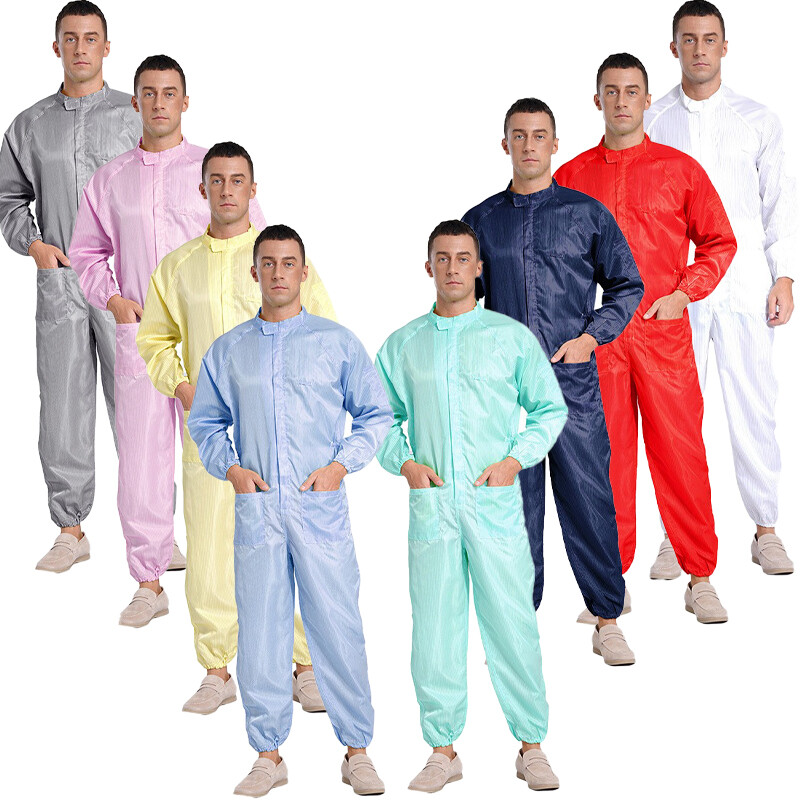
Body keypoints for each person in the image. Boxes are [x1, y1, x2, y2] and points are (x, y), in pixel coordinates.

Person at [189, 225, 390, 797]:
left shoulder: (336, 342)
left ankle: (357, 751)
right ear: (254, 272)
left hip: (318, 510)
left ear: (304, 271)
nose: (278, 273)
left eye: (289, 263)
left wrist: (340, 466)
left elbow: (375, 414)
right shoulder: (230, 350)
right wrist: (232, 469)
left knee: (338, 627)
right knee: (261, 632)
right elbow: (205, 422)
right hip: (258, 512)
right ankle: (268, 754)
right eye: (269, 263)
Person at [137, 142, 334, 712]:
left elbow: (323, 331)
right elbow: (155, 338)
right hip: (212, 434)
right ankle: (217, 668)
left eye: (237, 180)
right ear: (202, 190)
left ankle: (304, 665)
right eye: (217, 181)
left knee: (293, 543)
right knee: (208, 550)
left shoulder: (278, 256)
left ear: (253, 189)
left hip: (284, 433)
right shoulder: (178, 266)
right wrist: (184, 387)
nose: (227, 190)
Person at [69, 55, 263, 624]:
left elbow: (252, 246)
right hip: (142, 337)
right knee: (142, 462)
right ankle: (149, 581)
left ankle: (230, 578)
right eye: (149, 93)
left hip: (211, 337)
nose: (159, 103)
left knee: (219, 456)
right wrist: (114, 300)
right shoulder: (111, 179)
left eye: (169, 93)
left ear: (185, 101)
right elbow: (86, 252)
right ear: (135, 103)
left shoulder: (212, 170)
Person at [375, 220, 567, 791]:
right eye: (443, 257)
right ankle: (443, 750)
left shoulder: (509, 338)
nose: (453, 267)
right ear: (428, 267)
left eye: (463, 258)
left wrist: (514, 461)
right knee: (435, 631)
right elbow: (378, 416)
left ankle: (531, 745)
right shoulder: (404, 345)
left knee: (512, 624)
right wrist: (406, 465)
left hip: (494, 506)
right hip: (433, 508)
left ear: (479, 267)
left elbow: (549, 409)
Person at [555, 53, 737, 622]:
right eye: (611, 91)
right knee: (603, 461)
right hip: (600, 340)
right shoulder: (571, 178)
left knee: (682, 455)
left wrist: (685, 293)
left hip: (663, 334)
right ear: (597, 100)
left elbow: (719, 241)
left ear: (646, 98)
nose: (622, 101)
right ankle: (610, 584)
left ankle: (700, 576)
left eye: (631, 91)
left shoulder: (679, 170)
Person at [463, 98, 643, 665]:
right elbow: (461, 301)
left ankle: (607, 618)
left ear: (555, 144)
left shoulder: (586, 214)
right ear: (505, 144)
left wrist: (591, 338)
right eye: (519, 135)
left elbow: (627, 285)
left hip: (572, 387)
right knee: (513, 510)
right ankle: (517, 627)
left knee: (590, 497)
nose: (529, 145)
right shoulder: (481, 222)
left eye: (539, 135)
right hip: (506, 395)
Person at [645, 0, 795, 578]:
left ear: (725, 47)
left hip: (745, 285)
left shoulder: (758, 120)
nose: (700, 49)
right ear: (674, 47)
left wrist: (784, 275)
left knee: (754, 406)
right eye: (689, 38)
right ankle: (675, 535)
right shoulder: (654, 120)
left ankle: (766, 529)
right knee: (674, 417)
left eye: (710, 38)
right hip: (672, 292)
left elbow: (778, 203)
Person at [0, 1, 139, 573]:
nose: (81, 47)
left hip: (124, 281)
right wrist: (35, 245)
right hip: (61, 283)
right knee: (61, 403)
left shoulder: (134, 114)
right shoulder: (31, 124)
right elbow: (9, 198)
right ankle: (70, 528)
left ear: (107, 46)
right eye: (71, 38)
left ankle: (152, 529)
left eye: (91, 37)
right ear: (56, 46)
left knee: (138, 403)